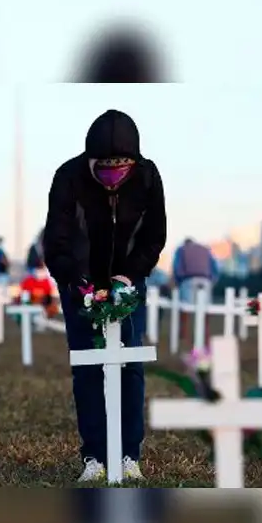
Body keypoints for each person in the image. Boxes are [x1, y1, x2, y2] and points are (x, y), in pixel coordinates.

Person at [43, 109, 167, 483]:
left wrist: (127, 276)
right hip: (79, 284)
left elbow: (153, 235)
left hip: (127, 281)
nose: (113, 181)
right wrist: (81, 282)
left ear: (133, 164)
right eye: (104, 172)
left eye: (120, 171)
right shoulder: (68, 177)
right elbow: (57, 241)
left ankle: (130, 454)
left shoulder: (147, 177)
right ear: (90, 162)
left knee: (130, 365)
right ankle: (94, 456)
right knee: (87, 367)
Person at [171, 238, 219, 339]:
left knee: (185, 307)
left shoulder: (181, 249)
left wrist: (178, 281)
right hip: (205, 280)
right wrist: (212, 280)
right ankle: (206, 333)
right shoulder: (206, 249)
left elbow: (177, 267)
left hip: (189, 279)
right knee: (205, 309)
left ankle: (183, 334)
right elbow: (215, 267)